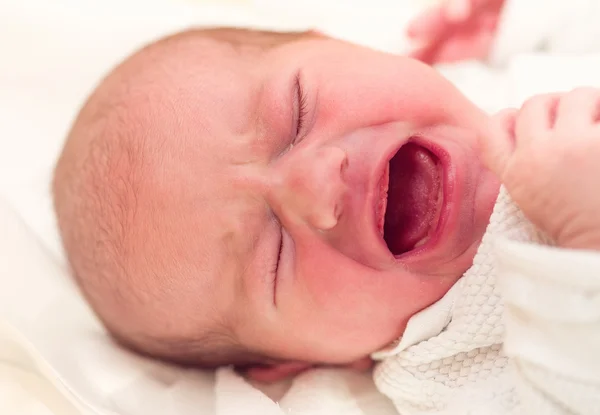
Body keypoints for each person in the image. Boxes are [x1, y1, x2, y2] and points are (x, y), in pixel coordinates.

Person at [52, 26, 600, 414]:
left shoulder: (485, 78)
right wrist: (583, 245)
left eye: (297, 110)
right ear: (296, 362)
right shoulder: (448, 370)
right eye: (273, 257)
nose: (316, 185)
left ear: (342, 46)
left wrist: (519, 21)